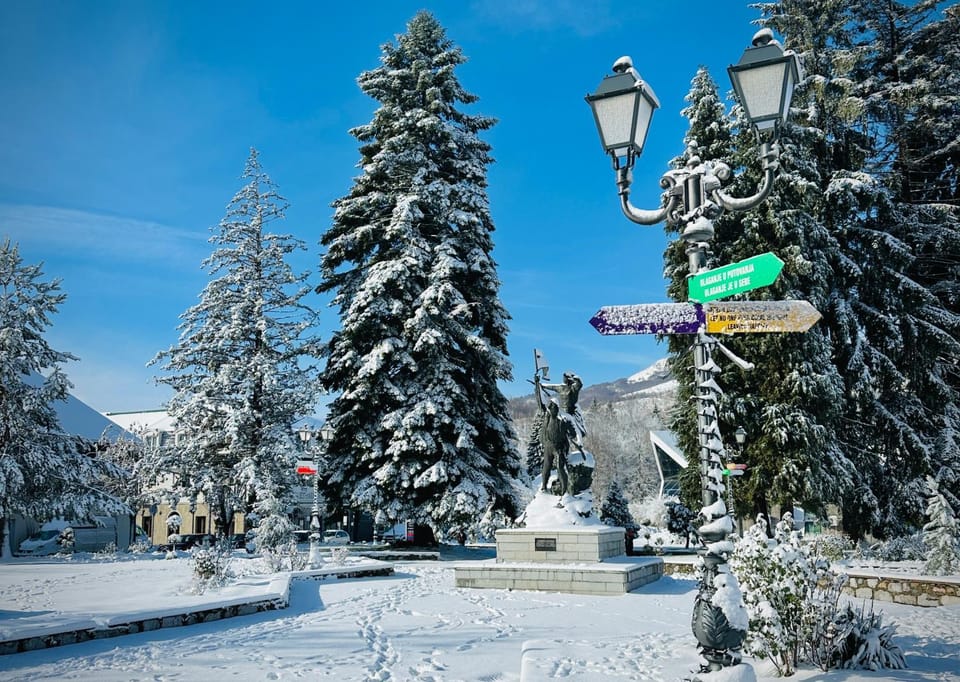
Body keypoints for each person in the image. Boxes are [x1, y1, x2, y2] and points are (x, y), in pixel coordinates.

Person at [535, 374, 574, 495]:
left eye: (553, 407)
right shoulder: (546, 417)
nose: (551, 409)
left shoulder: (563, 420)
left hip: (559, 447)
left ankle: (564, 490)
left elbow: (573, 433)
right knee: (546, 467)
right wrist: (537, 385)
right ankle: (543, 486)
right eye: (550, 407)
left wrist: (571, 437)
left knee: (560, 467)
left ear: (557, 409)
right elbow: (540, 402)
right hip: (548, 446)